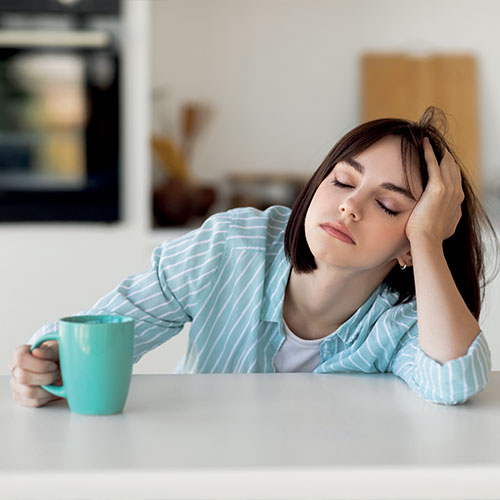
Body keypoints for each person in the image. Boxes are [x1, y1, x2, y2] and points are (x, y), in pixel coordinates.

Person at [9, 106, 498, 408]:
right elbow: (100, 334)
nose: (350, 205)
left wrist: (430, 243)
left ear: (412, 240)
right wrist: (49, 364)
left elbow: (454, 378)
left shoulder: (403, 320)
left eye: (389, 205)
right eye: (343, 181)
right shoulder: (232, 246)